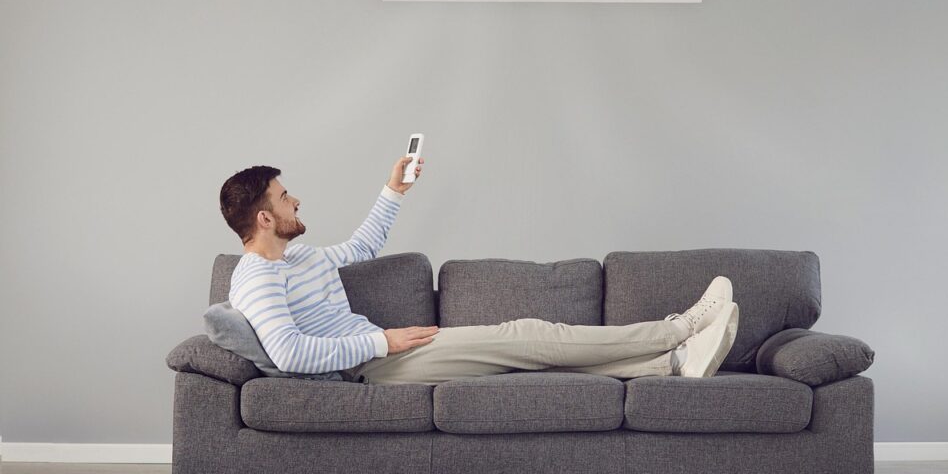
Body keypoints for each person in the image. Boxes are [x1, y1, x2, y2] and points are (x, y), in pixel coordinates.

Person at [218, 157, 739, 386]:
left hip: (382, 353)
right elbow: (289, 353)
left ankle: (672, 364)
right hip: (371, 367)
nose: (296, 200)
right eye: (284, 197)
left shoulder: (300, 258)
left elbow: (363, 245)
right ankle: (678, 329)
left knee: (525, 360)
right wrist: (382, 342)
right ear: (264, 218)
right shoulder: (258, 277)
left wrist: (394, 189)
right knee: (528, 335)